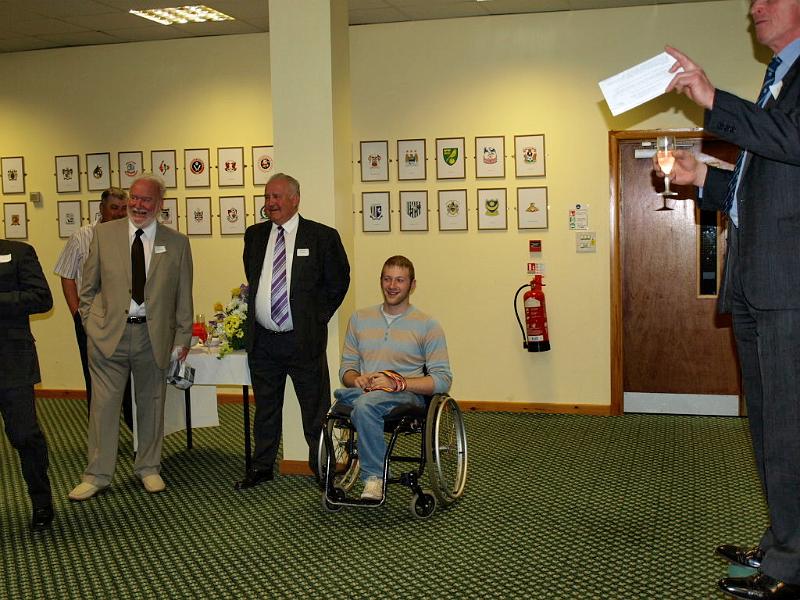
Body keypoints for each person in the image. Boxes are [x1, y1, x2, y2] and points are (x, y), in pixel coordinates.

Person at [655, 3, 800, 596]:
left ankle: (791, 565)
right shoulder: (778, 80)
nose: (753, 7)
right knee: (769, 426)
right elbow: (766, 181)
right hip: (758, 279)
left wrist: (714, 98)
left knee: (789, 429)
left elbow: (792, 141)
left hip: (788, 285)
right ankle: (782, 542)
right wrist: (704, 179)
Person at [68, 174, 193, 501]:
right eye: (134, 198)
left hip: (154, 338)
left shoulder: (177, 242)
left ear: (159, 204)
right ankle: (96, 474)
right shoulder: (103, 234)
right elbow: (88, 288)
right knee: (103, 407)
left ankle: (148, 468)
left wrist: (182, 337)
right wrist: (91, 324)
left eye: (146, 200)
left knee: (152, 404)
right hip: (109, 336)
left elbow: (183, 295)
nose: (138, 205)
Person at [240, 172, 350, 488]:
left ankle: (323, 472)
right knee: (266, 411)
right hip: (263, 343)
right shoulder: (255, 235)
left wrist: (315, 318)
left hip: (303, 342)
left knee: (314, 414)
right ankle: (261, 467)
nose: (270, 203)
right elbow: (254, 274)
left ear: (294, 199)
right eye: (267, 197)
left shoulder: (322, 237)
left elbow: (339, 281)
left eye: (276, 197)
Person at [334, 255, 452, 500]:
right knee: (350, 395)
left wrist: (397, 383)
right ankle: (357, 398)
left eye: (400, 280)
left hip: (406, 396)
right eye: (387, 279)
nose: (392, 285)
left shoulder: (427, 325)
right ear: (381, 281)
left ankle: (374, 478)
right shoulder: (359, 319)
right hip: (366, 391)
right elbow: (346, 369)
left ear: (412, 285)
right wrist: (356, 378)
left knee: (360, 404)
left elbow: (442, 380)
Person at [54, 187, 133, 429]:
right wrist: (78, 313)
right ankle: (100, 438)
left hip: (126, 320)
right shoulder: (82, 236)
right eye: (114, 208)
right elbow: (67, 275)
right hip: (91, 321)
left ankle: (136, 434)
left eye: (123, 209)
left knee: (132, 379)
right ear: (101, 209)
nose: (119, 214)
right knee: (96, 380)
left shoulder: (134, 236)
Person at [0, 239, 54, 530]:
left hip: (11, 361)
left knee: (24, 435)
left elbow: (42, 298)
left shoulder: (18, 252)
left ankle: (41, 501)